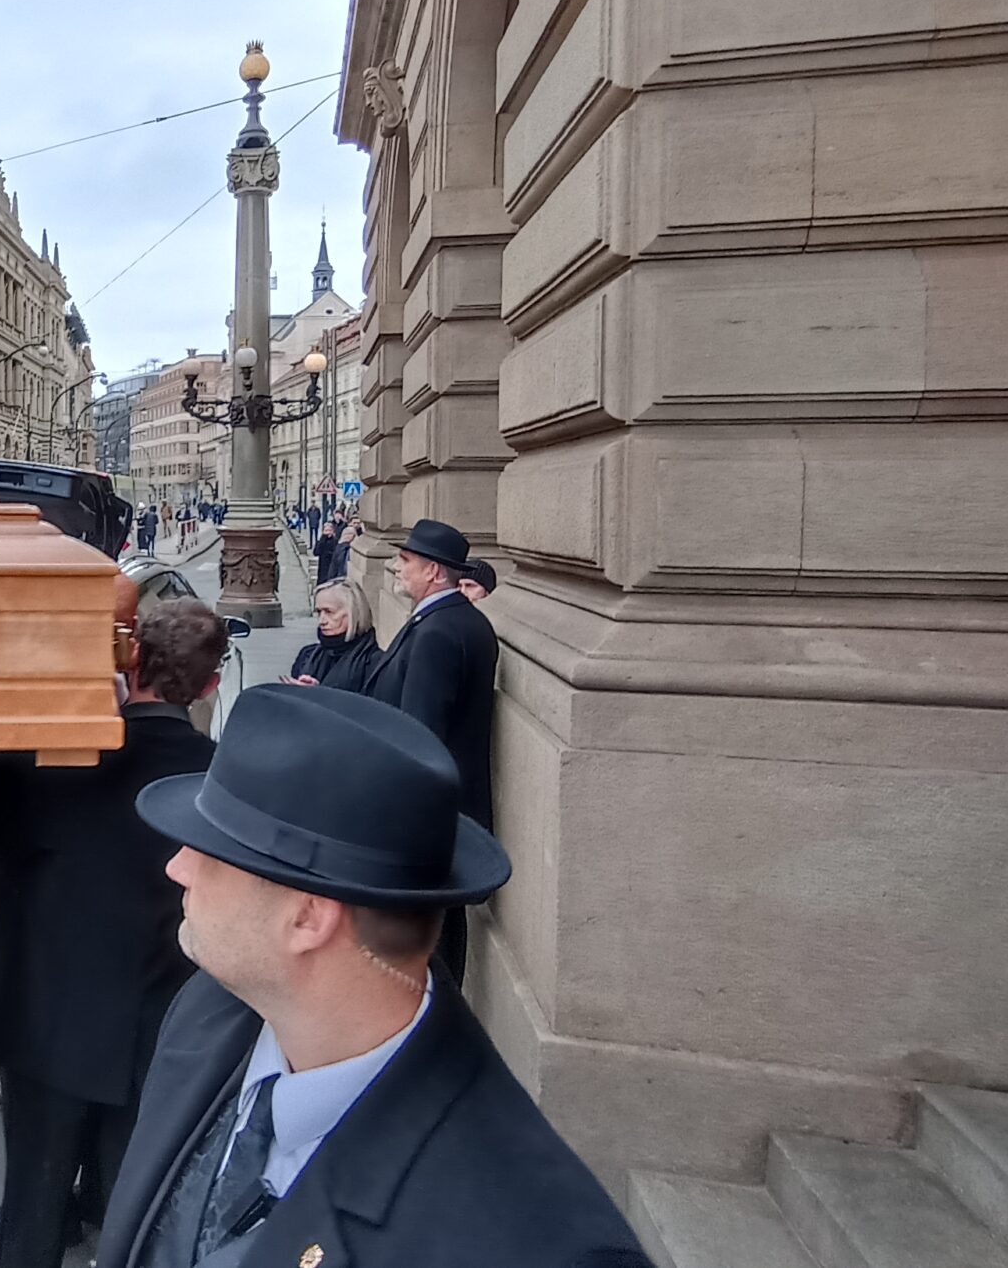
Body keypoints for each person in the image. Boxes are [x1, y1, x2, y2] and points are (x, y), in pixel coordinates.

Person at [101, 685, 648, 1268]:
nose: (177, 866)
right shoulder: (211, 1009)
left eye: (213, 850)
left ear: (308, 916)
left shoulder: (538, 1244)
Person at [0, 599, 232, 1266]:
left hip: (48, 1018)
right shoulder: (224, 777)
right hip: (158, 1031)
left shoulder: (54, 760)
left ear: (128, 662)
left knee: (31, 1207)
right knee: (135, 1213)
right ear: (211, 684)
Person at [364, 519, 500, 983]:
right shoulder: (447, 619)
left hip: (432, 817)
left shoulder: (442, 630)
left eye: (406, 561)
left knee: (432, 937)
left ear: (435, 572)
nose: (397, 568)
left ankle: (432, 1021)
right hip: (443, 815)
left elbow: (420, 734)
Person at [287, 578, 378, 695]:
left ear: (353, 613)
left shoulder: (373, 664)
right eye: (319, 612)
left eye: (329, 612)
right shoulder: (307, 656)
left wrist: (321, 694)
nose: (322, 621)